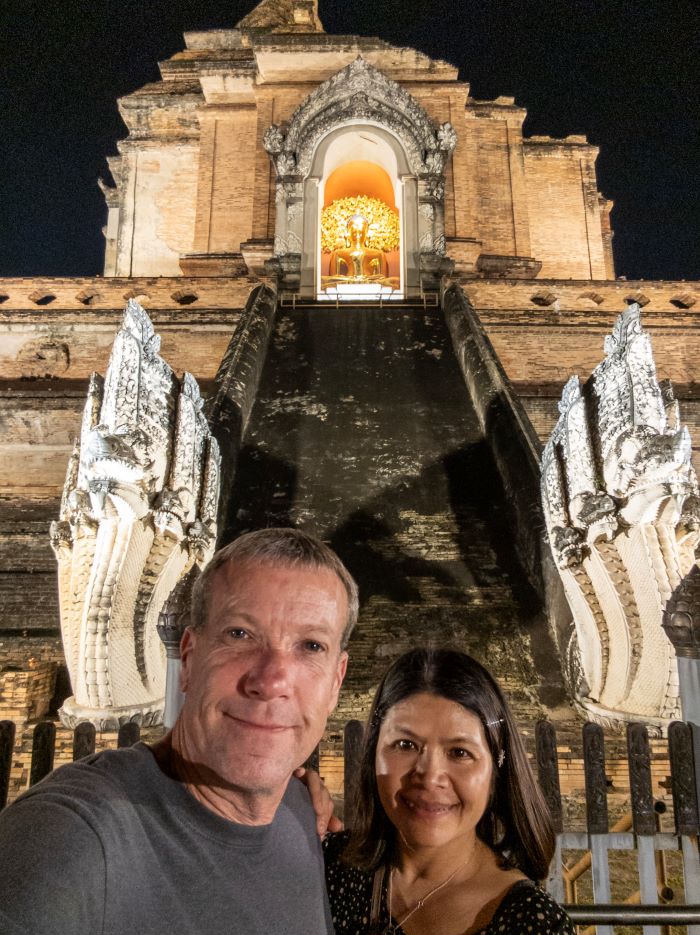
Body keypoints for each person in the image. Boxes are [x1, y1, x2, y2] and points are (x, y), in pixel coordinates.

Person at [0, 527, 358, 935]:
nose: (272, 680)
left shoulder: (301, 811)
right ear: (188, 658)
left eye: (311, 646)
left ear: (335, 682)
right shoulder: (77, 836)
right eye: (239, 634)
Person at [323, 647, 575, 934]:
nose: (430, 777)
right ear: (373, 753)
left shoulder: (535, 925)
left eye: (459, 752)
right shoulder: (328, 866)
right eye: (406, 745)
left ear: (495, 769)